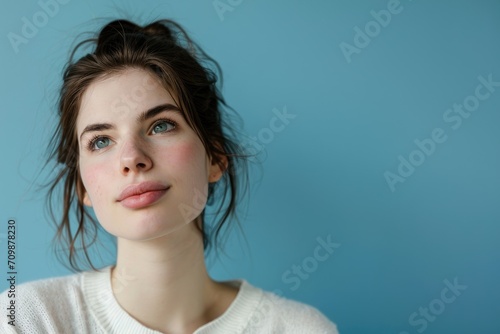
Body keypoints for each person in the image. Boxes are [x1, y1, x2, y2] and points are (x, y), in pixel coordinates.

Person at [0, 18, 338, 334]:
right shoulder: (27, 318)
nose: (132, 158)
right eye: (101, 141)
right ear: (81, 186)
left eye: (161, 126)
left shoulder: (298, 328)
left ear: (216, 158)